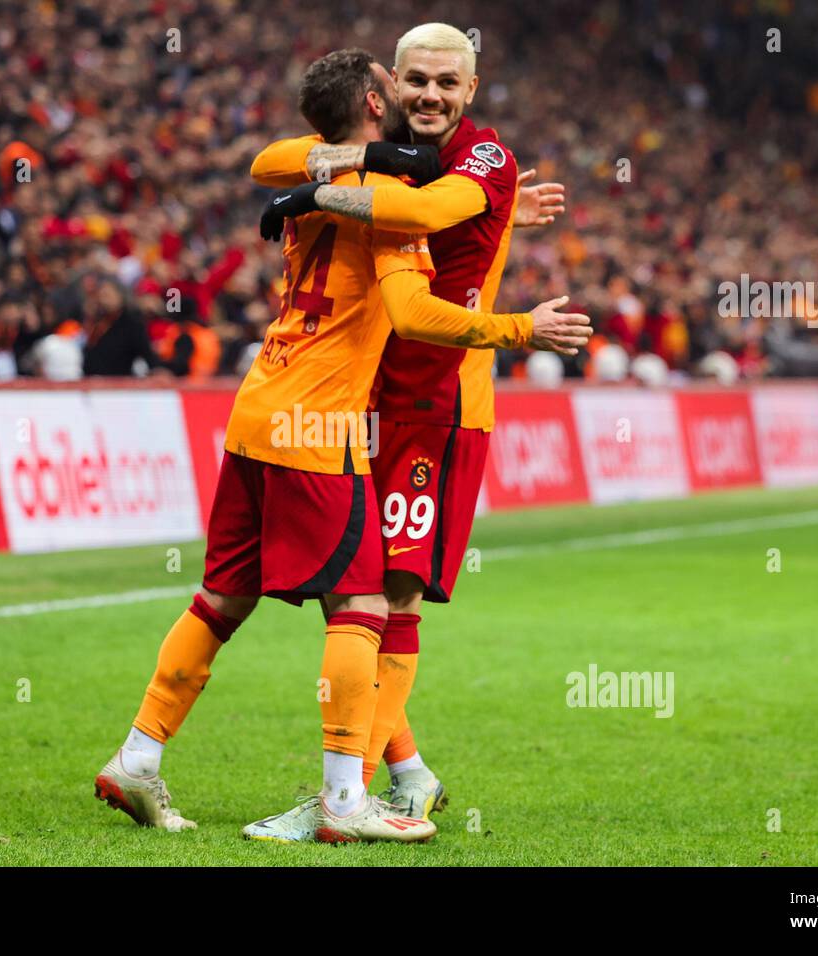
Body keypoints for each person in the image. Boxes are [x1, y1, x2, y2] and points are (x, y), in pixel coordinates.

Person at [93, 47, 589, 843]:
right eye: (399, 87)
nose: (413, 98)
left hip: (257, 409)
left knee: (223, 596)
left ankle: (138, 757)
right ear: (371, 99)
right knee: (367, 606)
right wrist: (519, 329)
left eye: (435, 84)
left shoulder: (321, 189)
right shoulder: (389, 199)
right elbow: (415, 313)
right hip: (324, 428)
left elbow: (275, 164)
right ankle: (345, 801)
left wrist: (488, 220)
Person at [248, 22, 573, 836]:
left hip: (441, 405)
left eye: (447, 84)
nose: (431, 96)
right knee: (348, 598)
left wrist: (322, 187)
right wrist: (345, 162)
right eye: (417, 81)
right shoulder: (393, 142)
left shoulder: (488, 156)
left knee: (390, 594)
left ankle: (344, 796)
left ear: (470, 89)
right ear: (390, 84)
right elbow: (267, 162)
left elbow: (430, 205)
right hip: (372, 398)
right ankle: (406, 775)